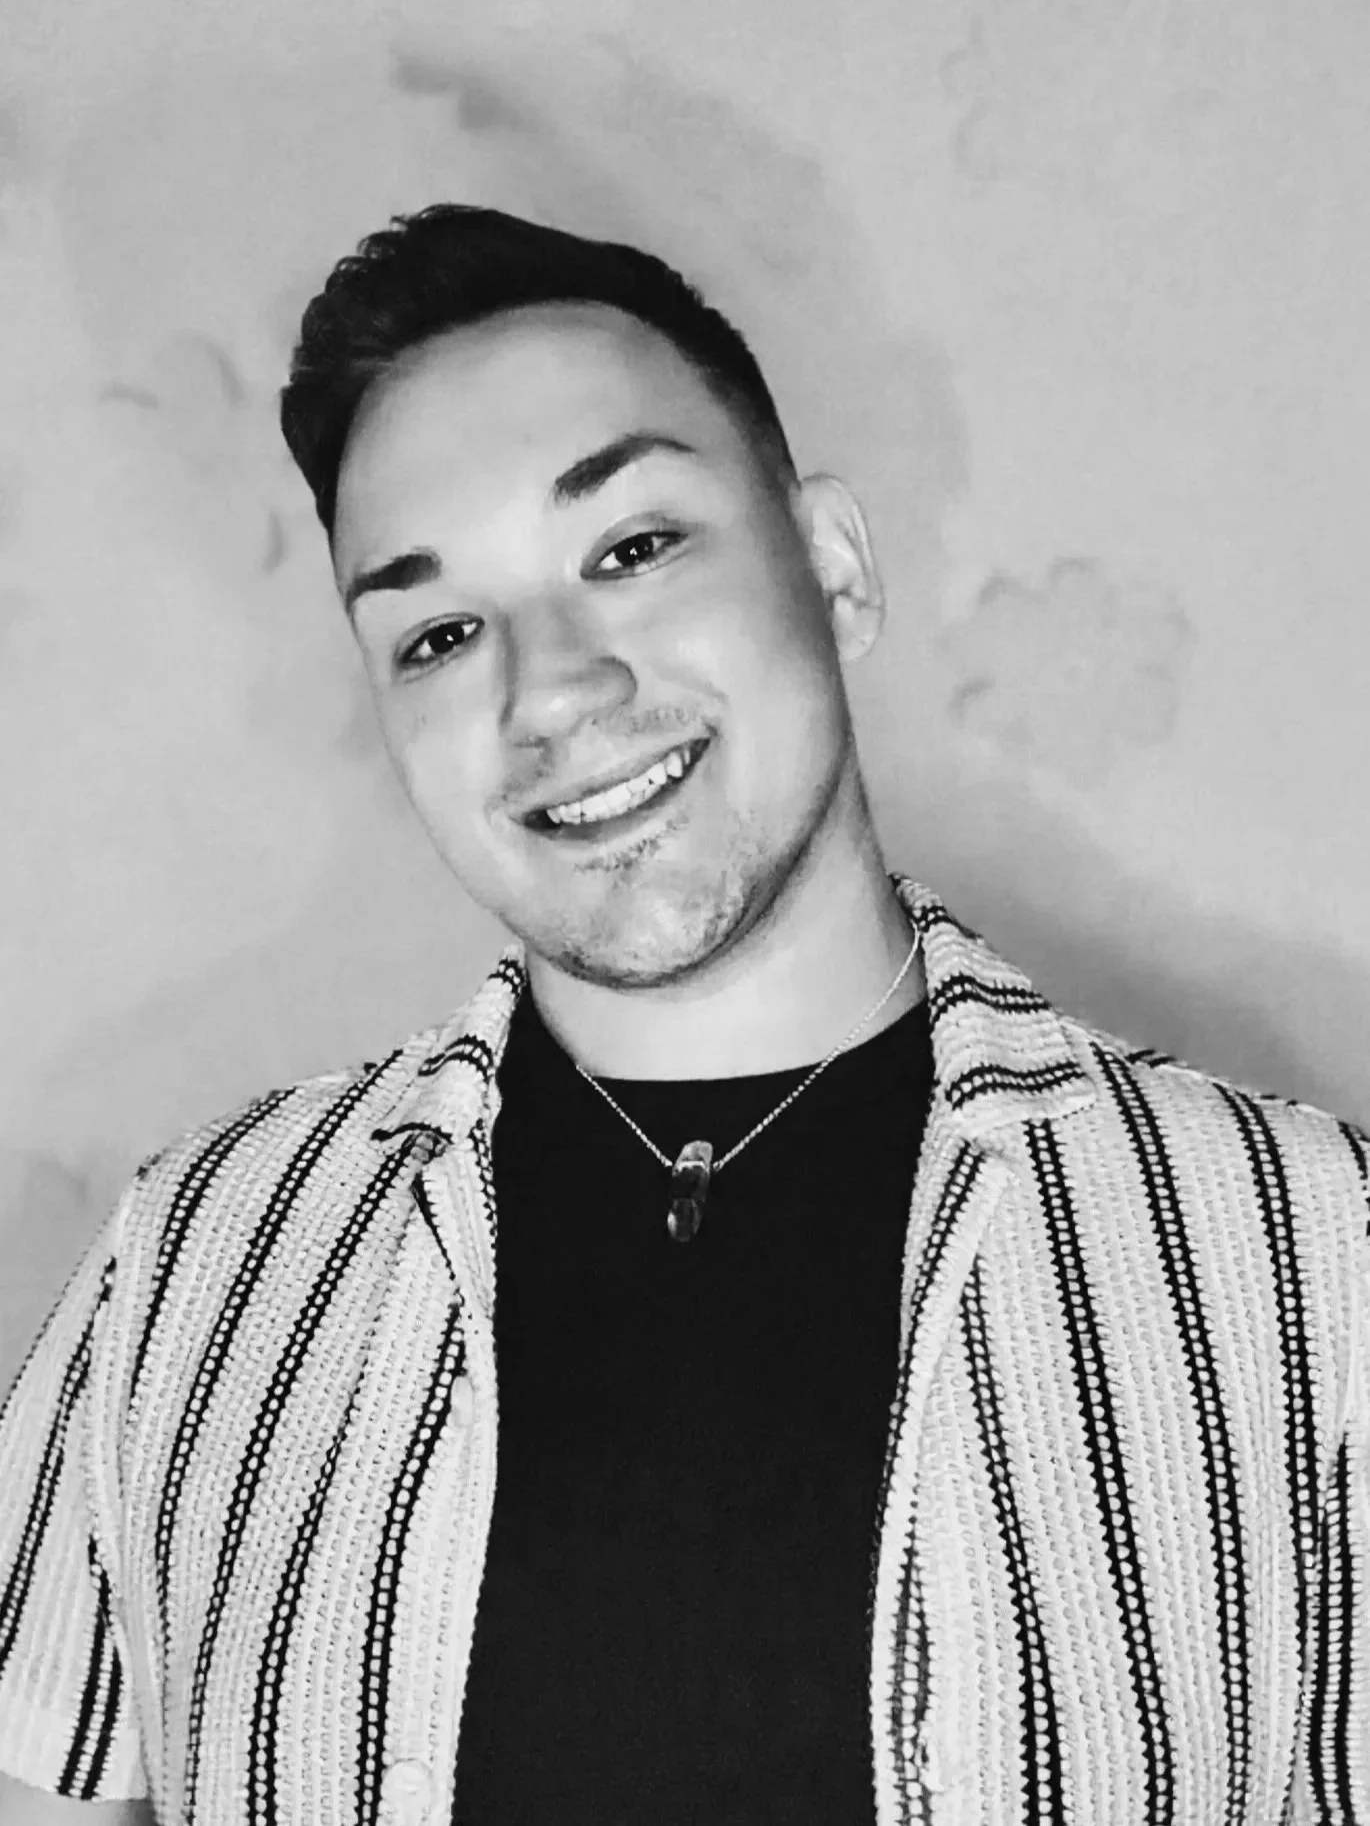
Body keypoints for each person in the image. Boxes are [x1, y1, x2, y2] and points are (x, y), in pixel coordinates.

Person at [0, 203, 1365, 1826]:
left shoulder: (1305, 1256)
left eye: (632, 548)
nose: (550, 689)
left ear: (834, 566)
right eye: (437, 633)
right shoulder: (197, 1263)